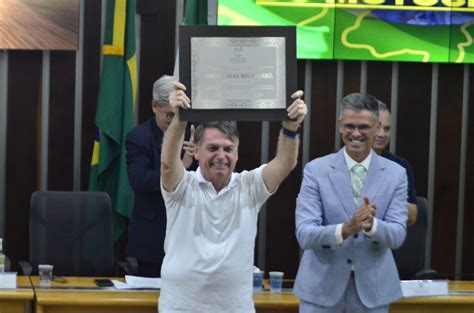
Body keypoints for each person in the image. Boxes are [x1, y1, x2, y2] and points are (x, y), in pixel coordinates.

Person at [158, 81, 307, 313]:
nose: (221, 156)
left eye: (228, 149)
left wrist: (290, 128)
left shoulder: (249, 186)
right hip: (181, 307)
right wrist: (180, 118)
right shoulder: (182, 186)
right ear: (196, 151)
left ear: (236, 154)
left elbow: (286, 163)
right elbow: (168, 164)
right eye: (212, 148)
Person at [294, 93, 407, 313]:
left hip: (373, 294)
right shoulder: (316, 171)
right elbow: (305, 234)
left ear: (376, 127)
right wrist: (346, 229)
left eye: (364, 127)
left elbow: (397, 234)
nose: (356, 133)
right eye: (349, 126)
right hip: (320, 291)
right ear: (339, 126)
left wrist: (372, 226)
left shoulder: (396, 174)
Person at [125, 75, 195, 277]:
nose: (174, 122)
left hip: (188, 236)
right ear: (154, 106)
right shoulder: (138, 137)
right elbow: (139, 181)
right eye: (169, 115)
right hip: (152, 237)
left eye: (179, 116)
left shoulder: (192, 133)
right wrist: (180, 167)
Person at [373, 100, 417, 225]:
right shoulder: (334, 162)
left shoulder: (400, 165)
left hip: (386, 236)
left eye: (386, 129)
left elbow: (412, 216)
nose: (382, 134)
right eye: (377, 127)